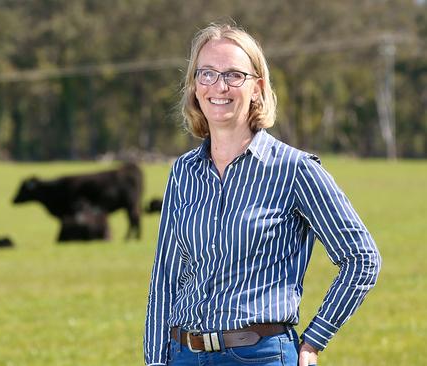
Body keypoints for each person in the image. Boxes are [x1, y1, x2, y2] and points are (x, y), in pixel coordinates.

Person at [143, 22, 381, 366]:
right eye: (206, 73)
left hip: (260, 356)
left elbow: (362, 258)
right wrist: (155, 361)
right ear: (195, 86)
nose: (218, 86)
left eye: (233, 75)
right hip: (184, 355)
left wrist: (315, 340)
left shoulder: (296, 169)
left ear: (258, 87)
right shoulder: (184, 172)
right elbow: (165, 277)